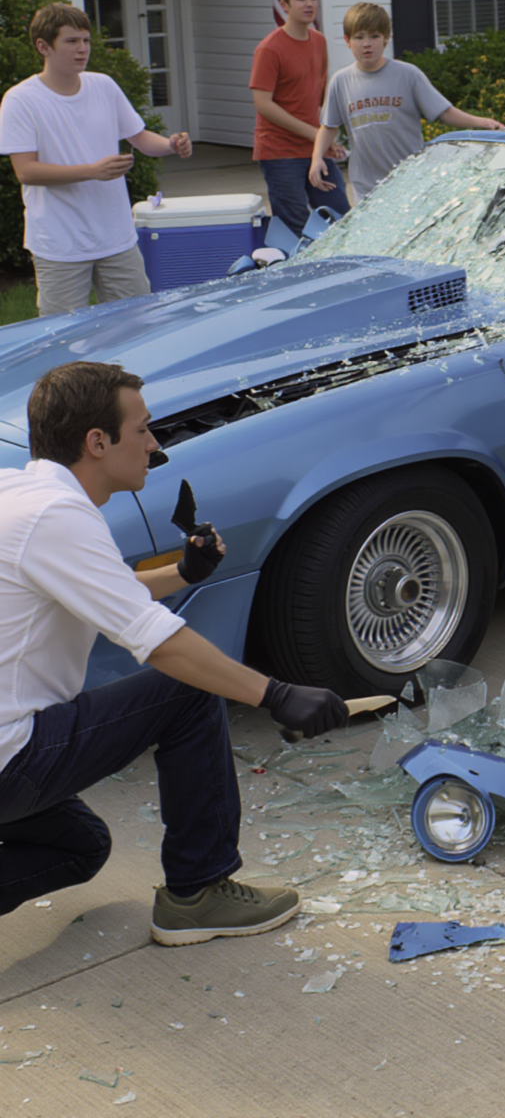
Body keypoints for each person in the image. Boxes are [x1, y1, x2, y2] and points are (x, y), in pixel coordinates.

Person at [0, 362, 347, 942]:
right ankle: (199, 891)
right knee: (187, 689)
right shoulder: (57, 517)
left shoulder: (20, 494)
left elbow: (99, 590)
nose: (154, 445)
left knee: (81, 846)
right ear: (97, 441)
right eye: (143, 429)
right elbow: (158, 643)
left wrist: (183, 571)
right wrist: (274, 693)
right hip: (10, 761)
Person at [0, 5, 195, 317]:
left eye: (86, 41)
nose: (82, 50)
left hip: (117, 238)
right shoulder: (21, 100)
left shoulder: (103, 85)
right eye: (72, 41)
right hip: (59, 244)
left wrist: (172, 145)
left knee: (137, 325)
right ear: (43, 46)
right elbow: (26, 171)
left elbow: (141, 138)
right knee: (62, 340)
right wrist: (92, 172)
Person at [308, 2, 504, 203]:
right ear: (347, 41)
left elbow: (443, 112)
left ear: (386, 39)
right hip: (365, 186)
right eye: (359, 37)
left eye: (374, 36)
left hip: (410, 180)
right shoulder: (341, 81)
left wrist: (482, 123)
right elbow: (328, 126)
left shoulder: (408, 75)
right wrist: (316, 159)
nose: (367, 43)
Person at [250, 0, 350, 235]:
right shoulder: (269, 49)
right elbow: (263, 104)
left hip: (316, 148)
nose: (309, 4)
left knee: (339, 218)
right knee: (295, 226)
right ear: (284, 5)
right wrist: (314, 133)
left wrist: (328, 135)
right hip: (280, 152)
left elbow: (319, 95)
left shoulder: (318, 41)